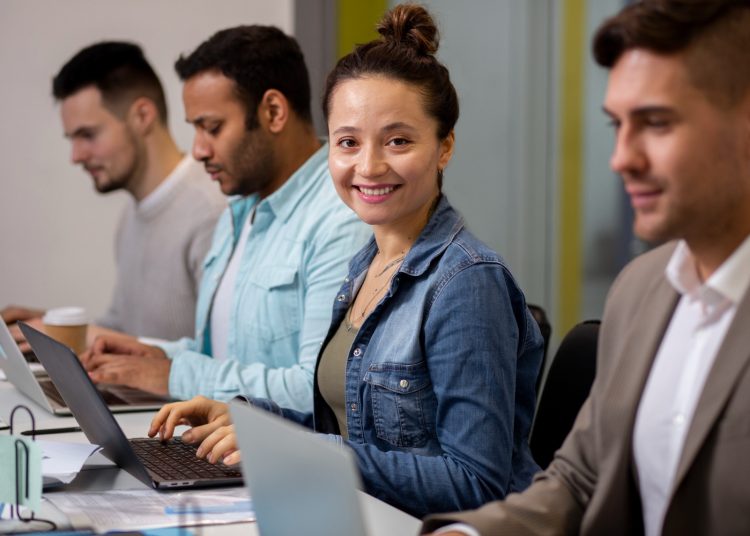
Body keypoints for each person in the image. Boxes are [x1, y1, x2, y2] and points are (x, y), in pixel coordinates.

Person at [147, 4, 544, 519]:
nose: (369, 165)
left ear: (444, 147)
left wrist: (315, 455)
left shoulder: (466, 282)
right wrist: (249, 420)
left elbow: (475, 482)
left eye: (398, 140)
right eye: (348, 142)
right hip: (353, 517)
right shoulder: (366, 266)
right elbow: (353, 427)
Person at [423, 1, 750, 535]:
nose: (621, 157)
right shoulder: (641, 288)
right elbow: (579, 479)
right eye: (618, 125)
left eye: (657, 123)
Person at [79, 26, 370, 410]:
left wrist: (173, 375)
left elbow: (316, 391)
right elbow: (222, 354)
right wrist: (153, 354)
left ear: (273, 112)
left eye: (212, 128)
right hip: (218, 443)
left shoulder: (339, 220)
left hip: (275, 459)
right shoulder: (239, 209)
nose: (198, 150)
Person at [2, 42, 225, 342]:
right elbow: (126, 331)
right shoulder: (132, 216)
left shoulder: (212, 212)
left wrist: (80, 337)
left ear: (143, 116)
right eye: (72, 139)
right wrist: (53, 329)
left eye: (88, 135)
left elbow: (220, 360)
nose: (76, 156)